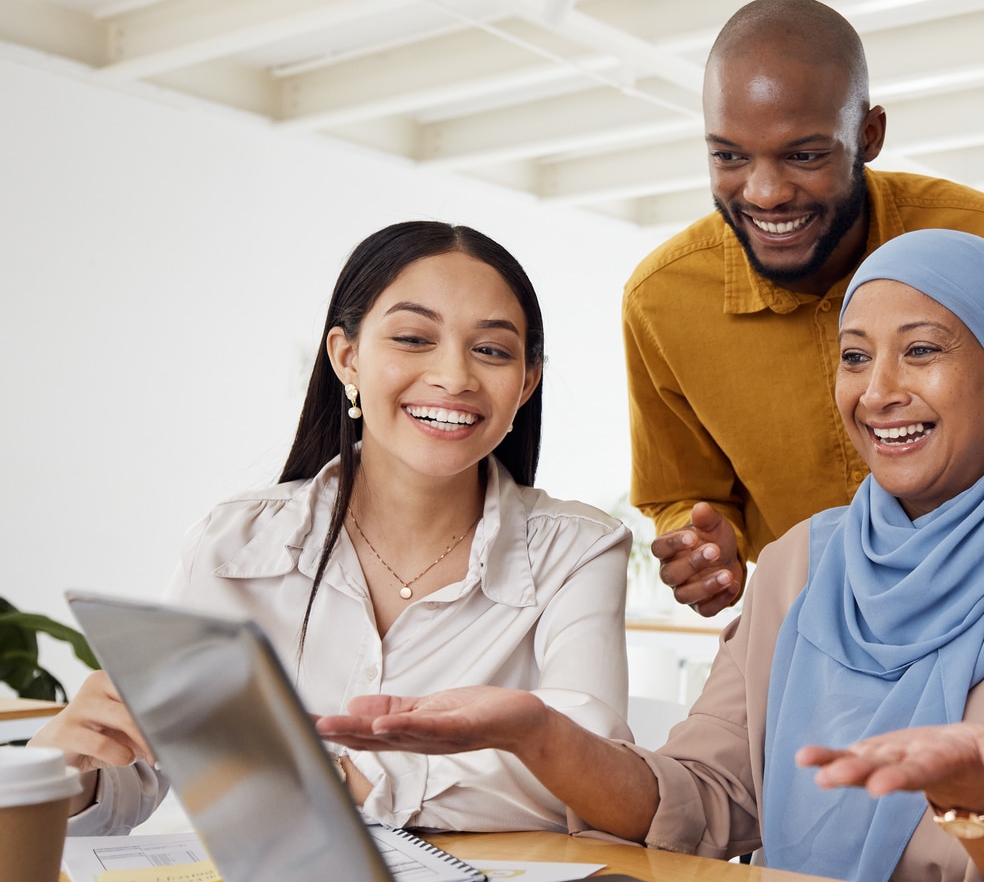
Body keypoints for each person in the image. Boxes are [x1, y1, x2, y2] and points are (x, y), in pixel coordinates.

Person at [324, 230, 984, 882]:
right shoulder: (806, 559)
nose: (876, 391)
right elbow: (704, 796)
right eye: (853, 356)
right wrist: (535, 733)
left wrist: (976, 795)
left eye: (922, 351)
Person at [35, 222, 634, 835]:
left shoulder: (578, 552)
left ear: (526, 382)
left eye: (492, 350)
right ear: (346, 357)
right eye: (412, 337)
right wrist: (75, 765)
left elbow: (592, 779)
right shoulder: (233, 543)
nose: (454, 376)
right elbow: (145, 776)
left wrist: (339, 776)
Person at [622, 0, 984, 619]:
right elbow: (683, 494)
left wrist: (950, 558)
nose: (764, 193)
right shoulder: (660, 300)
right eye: (729, 156)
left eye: (804, 155)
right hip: (808, 630)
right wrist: (707, 546)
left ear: (868, 135)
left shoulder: (983, 238)